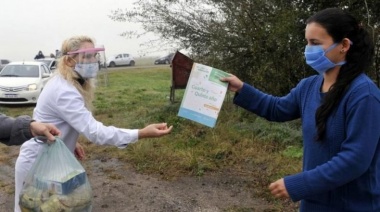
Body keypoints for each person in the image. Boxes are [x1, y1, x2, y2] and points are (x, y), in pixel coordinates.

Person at [221, 8, 380, 211]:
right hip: (314, 203)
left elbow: (355, 160)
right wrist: (241, 88)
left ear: (344, 45)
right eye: (306, 42)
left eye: (315, 43)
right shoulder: (309, 86)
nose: (308, 49)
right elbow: (276, 108)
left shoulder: (364, 95)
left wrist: (299, 184)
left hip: (353, 205)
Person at [14, 35, 173, 211]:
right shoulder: (64, 91)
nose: (92, 61)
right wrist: (141, 133)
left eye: (94, 56)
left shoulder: (64, 82)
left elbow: (48, 119)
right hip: (38, 165)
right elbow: (96, 132)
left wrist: (69, 140)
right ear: (69, 60)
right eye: (86, 56)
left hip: (51, 161)